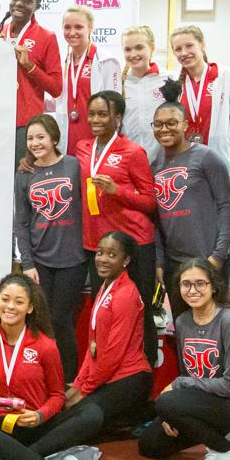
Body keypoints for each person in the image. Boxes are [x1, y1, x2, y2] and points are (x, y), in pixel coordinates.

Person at [0, 273, 102, 460]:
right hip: (6, 427)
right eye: (5, 299)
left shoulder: (45, 345)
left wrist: (40, 415)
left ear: (30, 308)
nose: (10, 306)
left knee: (92, 414)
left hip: (41, 425)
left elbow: (57, 396)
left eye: (19, 302)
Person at [138, 258, 230, 460]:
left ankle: (226, 451)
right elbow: (191, 372)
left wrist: (178, 392)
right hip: (207, 399)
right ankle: (223, 433)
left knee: (166, 402)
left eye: (200, 284)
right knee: (150, 445)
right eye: (186, 284)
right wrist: (172, 413)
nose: (192, 290)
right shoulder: (183, 321)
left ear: (213, 286)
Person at [75, 91, 158, 364]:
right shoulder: (82, 148)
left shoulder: (133, 152)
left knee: (138, 312)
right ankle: (107, 373)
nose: (95, 120)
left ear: (118, 118)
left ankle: (142, 377)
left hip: (134, 245)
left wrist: (117, 191)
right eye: (92, 114)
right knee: (104, 312)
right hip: (98, 247)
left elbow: (150, 202)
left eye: (103, 114)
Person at [14, 114, 86, 383]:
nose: (35, 143)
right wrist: (28, 263)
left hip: (72, 259)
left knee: (61, 319)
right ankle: (44, 377)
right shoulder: (24, 174)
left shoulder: (74, 166)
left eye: (41, 137)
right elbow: (21, 222)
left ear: (55, 138)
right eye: (30, 138)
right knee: (42, 321)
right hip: (40, 260)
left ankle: (69, 380)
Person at [151, 90, 230, 321]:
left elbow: (226, 206)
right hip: (176, 265)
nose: (164, 129)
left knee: (214, 327)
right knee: (184, 327)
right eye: (158, 124)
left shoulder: (207, 158)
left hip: (208, 259)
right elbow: (155, 219)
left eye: (171, 123)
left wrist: (217, 256)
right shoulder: (154, 165)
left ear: (185, 125)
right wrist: (159, 262)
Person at [66, 232, 153, 432]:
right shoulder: (106, 287)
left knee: (80, 417)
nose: (103, 259)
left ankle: (141, 415)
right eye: (99, 253)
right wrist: (79, 384)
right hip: (107, 374)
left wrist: (85, 391)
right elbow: (93, 345)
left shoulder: (126, 293)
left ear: (126, 260)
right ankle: (127, 419)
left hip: (129, 378)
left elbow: (113, 353)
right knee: (67, 403)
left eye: (112, 255)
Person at [0, 0, 62, 166]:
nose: (20, 3)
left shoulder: (47, 37)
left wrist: (29, 66)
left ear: (37, 6)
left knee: (22, 181)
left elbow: (56, 88)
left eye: (27, 0)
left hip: (26, 125)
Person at [169, 25, 230, 186]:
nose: (184, 53)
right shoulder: (173, 82)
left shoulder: (227, 76)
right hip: (185, 166)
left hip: (220, 162)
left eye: (189, 46)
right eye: (178, 49)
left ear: (202, 45)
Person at [59, 5, 120, 154]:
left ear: (90, 27)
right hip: (68, 138)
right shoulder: (64, 61)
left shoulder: (106, 60)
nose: (72, 32)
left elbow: (115, 106)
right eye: (67, 27)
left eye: (78, 27)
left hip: (94, 137)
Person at [120, 25, 171, 162]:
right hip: (128, 161)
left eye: (139, 47)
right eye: (127, 49)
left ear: (152, 48)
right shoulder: (119, 83)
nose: (133, 54)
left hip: (163, 160)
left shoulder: (168, 78)